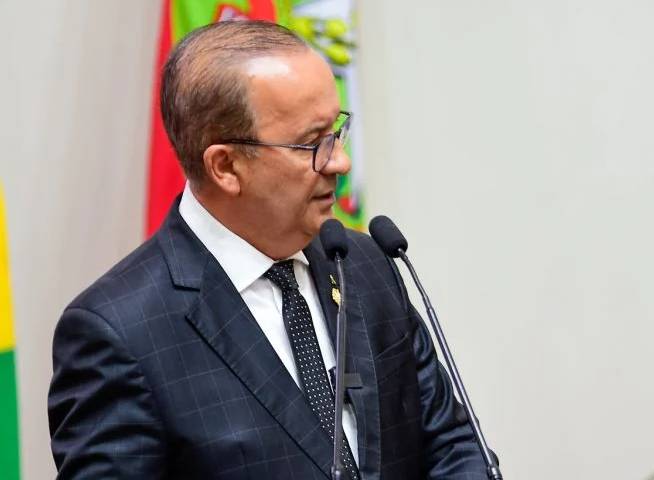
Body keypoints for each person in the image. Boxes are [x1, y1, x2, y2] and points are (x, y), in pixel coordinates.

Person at [48, 20, 491, 479]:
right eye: (312, 144)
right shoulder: (120, 333)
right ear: (225, 166)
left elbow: (452, 444)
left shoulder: (367, 263)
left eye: (336, 131)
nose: (339, 161)